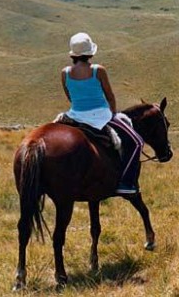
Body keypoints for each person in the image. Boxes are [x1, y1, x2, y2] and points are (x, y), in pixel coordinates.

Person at [61, 32, 145, 194]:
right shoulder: (97, 70)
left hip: (75, 115)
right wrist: (112, 113)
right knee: (137, 142)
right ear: (90, 53)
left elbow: (69, 96)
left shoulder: (65, 72)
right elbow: (110, 96)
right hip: (101, 116)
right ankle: (126, 183)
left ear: (73, 54)